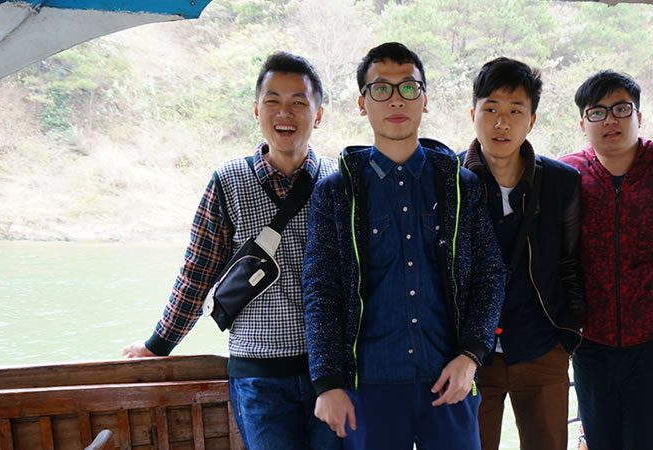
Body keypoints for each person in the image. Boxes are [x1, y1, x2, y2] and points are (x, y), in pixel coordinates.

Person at [121, 52, 341, 450]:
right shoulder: (228, 182)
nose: (284, 113)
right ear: (256, 110)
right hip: (259, 376)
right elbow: (197, 273)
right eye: (273, 101)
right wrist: (158, 345)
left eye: (298, 102)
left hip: (331, 373)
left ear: (319, 114)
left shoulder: (338, 181)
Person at [301, 42, 505, 450]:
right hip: (369, 386)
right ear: (362, 103)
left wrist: (472, 355)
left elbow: (490, 273)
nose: (396, 100)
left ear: (425, 99)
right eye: (381, 89)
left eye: (409, 88)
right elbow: (320, 289)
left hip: (448, 380)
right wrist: (327, 382)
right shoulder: (336, 192)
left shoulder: (461, 187)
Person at [559, 70, 653, 450]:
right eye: (597, 112)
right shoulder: (566, 176)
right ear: (583, 124)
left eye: (621, 109)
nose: (610, 120)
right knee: (600, 442)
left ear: (639, 117)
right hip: (591, 344)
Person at [463, 57, 585, 450]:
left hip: (542, 349)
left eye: (515, 111)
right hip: (468, 357)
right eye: (491, 109)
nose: (502, 123)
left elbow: (571, 261)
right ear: (473, 114)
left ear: (531, 120)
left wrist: (568, 333)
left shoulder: (561, 182)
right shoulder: (450, 182)